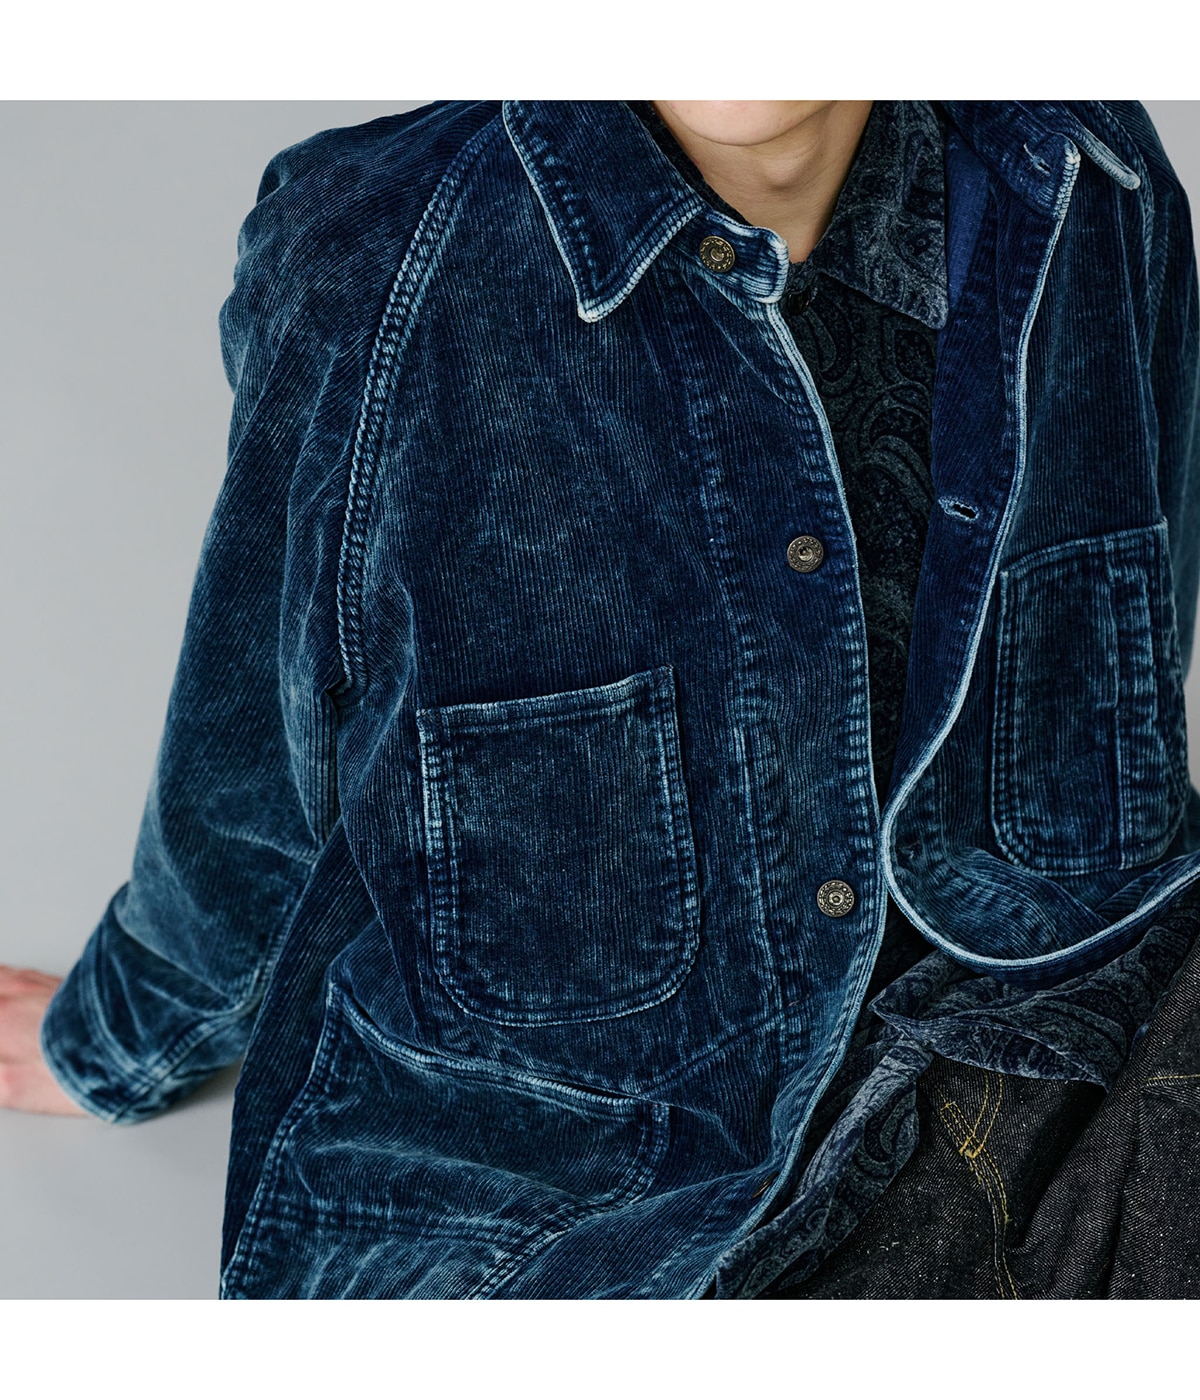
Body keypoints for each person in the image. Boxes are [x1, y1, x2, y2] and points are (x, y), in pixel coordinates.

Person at [1, 100, 1198, 1299]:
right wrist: (123, 1030)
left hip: (1067, 1038)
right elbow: (263, 749)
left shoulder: (1088, 177)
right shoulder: (371, 258)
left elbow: (1143, 624)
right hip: (594, 1219)